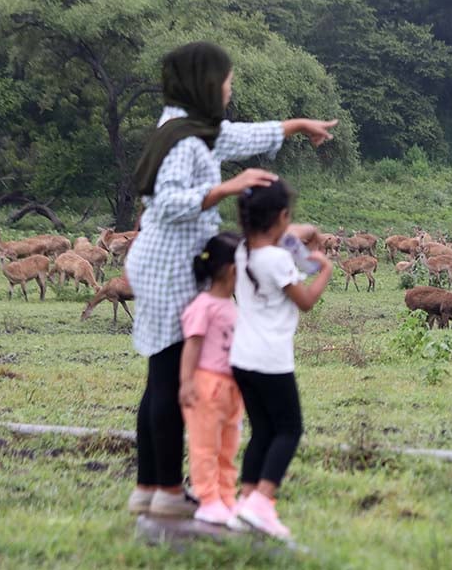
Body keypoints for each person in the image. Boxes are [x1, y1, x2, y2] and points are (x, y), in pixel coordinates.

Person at [124, 42, 336, 518]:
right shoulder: (182, 139)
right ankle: (167, 493)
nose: (229, 89)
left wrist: (299, 126)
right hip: (167, 264)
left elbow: (239, 136)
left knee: (161, 374)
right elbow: (168, 202)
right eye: (225, 82)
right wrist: (227, 188)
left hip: (173, 260)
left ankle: (148, 487)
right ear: (204, 84)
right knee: (168, 376)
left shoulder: (193, 127)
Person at [229, 179, 332, 539]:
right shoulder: (277, 259)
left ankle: (245, 500)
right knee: (289, 429)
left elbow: (293, 232)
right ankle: (263, 501)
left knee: (262, 430)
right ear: (281, 217)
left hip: (241, 358)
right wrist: (325, 271)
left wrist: (306, 230)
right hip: (271, 359)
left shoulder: (242, 250)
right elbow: (304, 301)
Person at [178, 232, 243, 526]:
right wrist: (186, 382)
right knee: (205, 446)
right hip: (207, 386)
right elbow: (192, 345)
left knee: (228, 446)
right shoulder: (203, 306)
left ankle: (226, 496)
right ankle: (207, 499)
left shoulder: (233, 307)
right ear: (233, 270)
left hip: (232, 389)